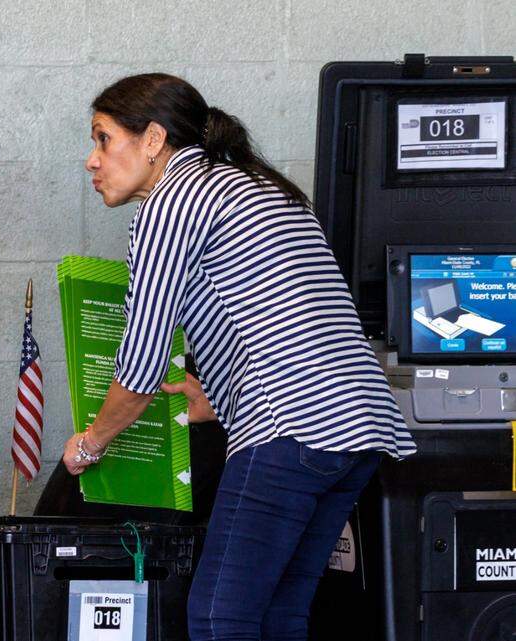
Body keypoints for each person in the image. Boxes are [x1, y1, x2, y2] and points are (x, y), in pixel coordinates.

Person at [63, 73, 416, 641]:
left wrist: (90, 444)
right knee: (280, 613)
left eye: (103, 138)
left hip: (292, 431)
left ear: (152, 140)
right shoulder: (253, 186)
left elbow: (141, 368)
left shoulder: (170, 202)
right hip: (361, 429)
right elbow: (287, 313)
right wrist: (223, 397)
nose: (92, 159)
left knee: (217, 617)